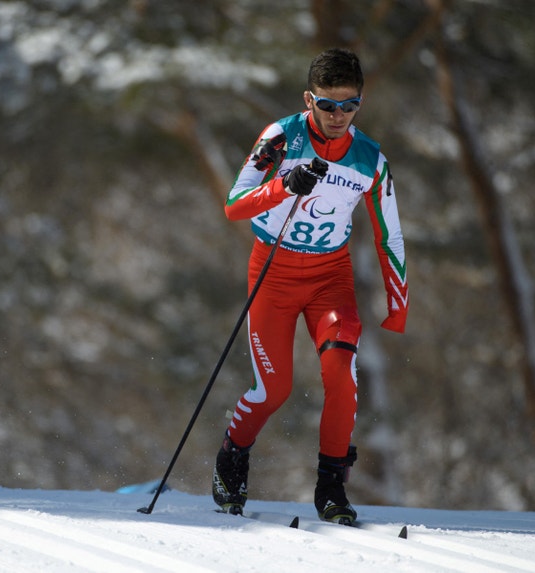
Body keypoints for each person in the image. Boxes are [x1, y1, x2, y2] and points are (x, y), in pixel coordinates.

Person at [211, 48, 408, 525]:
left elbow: (389, 233)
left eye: (349, 105)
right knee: (273, 390)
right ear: (308, 100)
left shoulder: (370, 159)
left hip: (329, 279)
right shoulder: (281, 137)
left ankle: (332, 487)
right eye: (327, 105)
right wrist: (283, 185)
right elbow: (235, 205)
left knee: (341, 374)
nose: (338, 116)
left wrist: (397, 304)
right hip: (273, 273)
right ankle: (231, 460)